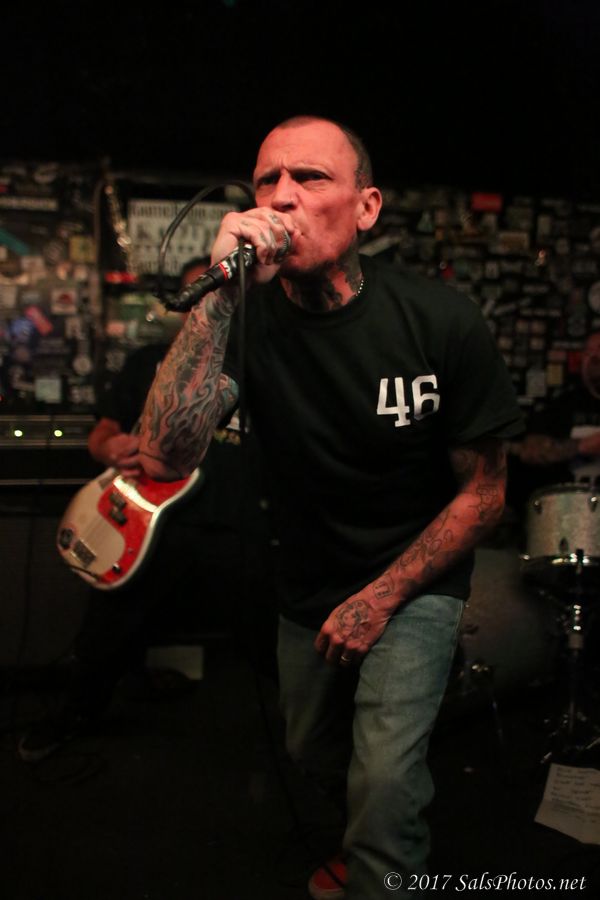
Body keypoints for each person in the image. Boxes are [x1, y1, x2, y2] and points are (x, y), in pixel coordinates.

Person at [137, 116, 524, 900]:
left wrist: (380, 599)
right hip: (306, 581)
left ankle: (383, 863)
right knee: (312, 751)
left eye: (310, 177)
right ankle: (372, 841)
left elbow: (484, 494)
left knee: (383, 777)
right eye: (267, 180)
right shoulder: (242, 320)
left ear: (366, 207)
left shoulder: (438, 321)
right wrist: (218, 295)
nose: (281, 197)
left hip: (414, 576)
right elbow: (163, 455)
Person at [18, 258, 274, 763]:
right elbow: (102, 433)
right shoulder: (148, 362)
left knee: (272, 635)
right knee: (106, 631)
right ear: (183, 305)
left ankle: (315, 739)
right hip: (150, 521)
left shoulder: (265, 365)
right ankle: (76, 714)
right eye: (201, 294)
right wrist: (110, 448)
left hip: (233, 523)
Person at [518, 332, 600, 483]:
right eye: (588, 352)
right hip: (570, 494)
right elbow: (529, 451)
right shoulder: (565, 403)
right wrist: (583, 446)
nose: (595, 356)